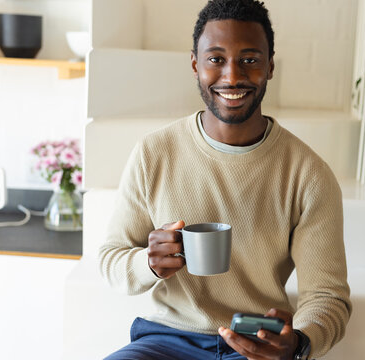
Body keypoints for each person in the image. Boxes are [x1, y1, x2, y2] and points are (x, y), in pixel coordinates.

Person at [99, 0, 352, 359]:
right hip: (164, 341)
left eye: (249, 59)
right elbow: (111, 258)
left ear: (270, 66)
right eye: (216, 59)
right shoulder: (153, 153)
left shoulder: (308, 174)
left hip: (254, 345)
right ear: (195, 64)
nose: (232, 76)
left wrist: (298, 343)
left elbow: (327, 297)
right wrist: (149, 263)